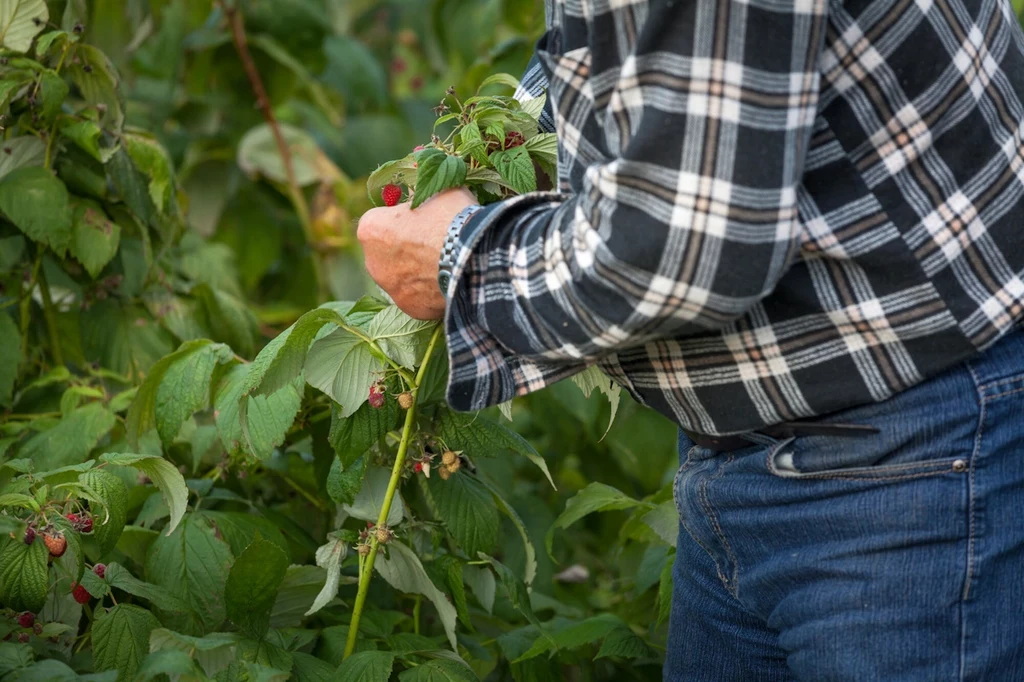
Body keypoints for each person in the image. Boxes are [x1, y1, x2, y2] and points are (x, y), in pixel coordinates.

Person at [358, 0, 1024, 679]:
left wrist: (458, 261)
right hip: (759, 452)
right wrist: (492, 150)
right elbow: (628, 58)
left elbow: (680, 251)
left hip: (910, 466)